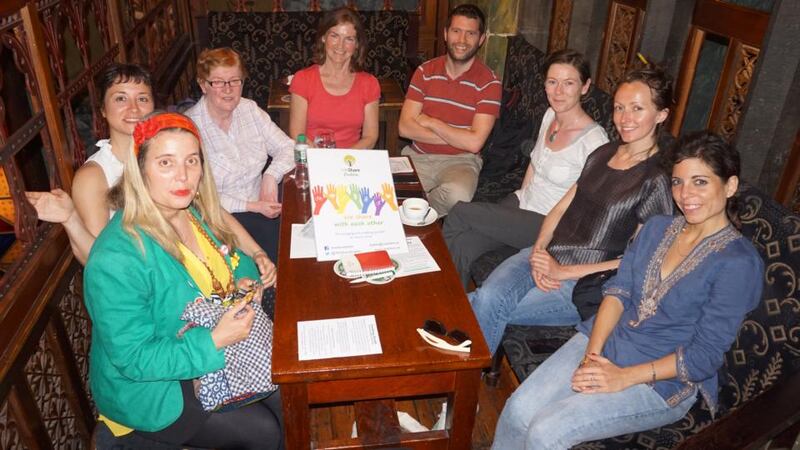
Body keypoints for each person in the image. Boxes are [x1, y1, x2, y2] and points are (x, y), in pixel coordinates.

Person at [491, 131, 763, 449]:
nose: (686, 194)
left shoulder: (738, 263)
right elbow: (618, 293)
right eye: (677, 182)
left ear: (729, 186)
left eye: (700, 182)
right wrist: (592, 355)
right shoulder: (658, 228)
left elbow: (703, 356)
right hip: (606, 339)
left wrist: (624, 377)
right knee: (517, 410)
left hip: (661, 379)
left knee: (545, 432)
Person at [84, 112, 283, 449]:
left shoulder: (190, 213)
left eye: (192, 161)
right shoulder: (115, 258)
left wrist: (247, 283)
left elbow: (238, 264)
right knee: (264, 432)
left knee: (290, 392)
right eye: (166, 162)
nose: (183, 175)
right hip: (156, 387)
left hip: (216, 350)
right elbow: (134, 360)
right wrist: (215, 341)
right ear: (140, 169)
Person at [469, 66, 676, 354]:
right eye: (619, 108)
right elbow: (561, 207)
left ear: (661, 115)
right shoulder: (603, 153)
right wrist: (540, 249)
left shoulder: (657, 179)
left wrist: (563, 271)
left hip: (583, 282)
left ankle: (458, 386)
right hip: (546, 253)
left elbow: (641, 261)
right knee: (486, 297)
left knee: (483, 304)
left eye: (637, 109)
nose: (624, 118)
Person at [25, 64, 275, 281]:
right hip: (157, 285)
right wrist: (70, 219)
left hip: (199, 266)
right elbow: (99, 259)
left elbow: (211, 209)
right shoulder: (94, 175)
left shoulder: (169, 153)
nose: (133, 109)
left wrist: (256, 252)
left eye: (142, 99)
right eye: (120, 99)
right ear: (102, 109)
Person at [443, 49, 609, 288]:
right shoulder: (550, 115)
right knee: (463, 245)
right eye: (552, 82)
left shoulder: (595, 142)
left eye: (568, 83)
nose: (558, 91)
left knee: (459, 212)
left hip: (548, 225)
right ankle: (448, 307)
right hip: (522, 207)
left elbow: (592, 207)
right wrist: (518, 206)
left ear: (585, 87)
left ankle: (433, 285)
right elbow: (533, 164)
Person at [185, 47, 294, 263]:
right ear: (203, 85)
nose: (228, 89)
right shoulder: (190, 128)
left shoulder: (250, 110)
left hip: (262, 203)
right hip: (220, 218)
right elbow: (198, 194)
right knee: (277, 259)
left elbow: (288, 147)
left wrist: (270, 177)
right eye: (218, 82)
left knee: (302, 242)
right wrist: (252, 206)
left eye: (235, 81)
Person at [398, 3, 502, 216]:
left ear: (481, 39)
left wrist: (432, 122)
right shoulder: (425, 71)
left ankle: (419, 212)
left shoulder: (489, 82)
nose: (462, 41)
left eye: (470, 33)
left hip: (461, 161)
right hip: (418, 155)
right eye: (456, 31)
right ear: (446, 34)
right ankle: (415, 211)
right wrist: (459, 135)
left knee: (457, 196)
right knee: (386, 190)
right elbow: (404, 128)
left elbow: (474, 144)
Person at [289, 7, 380, 149]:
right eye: (334, 36)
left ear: (357, 45)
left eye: (349, 39)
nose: (340, 46)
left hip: (351, 162)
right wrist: (320, 159)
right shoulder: (303, 79)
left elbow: (370, 137)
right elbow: (297, 133)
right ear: (323, 38)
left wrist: (341, 161)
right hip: (313, 158)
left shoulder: (369, 83)